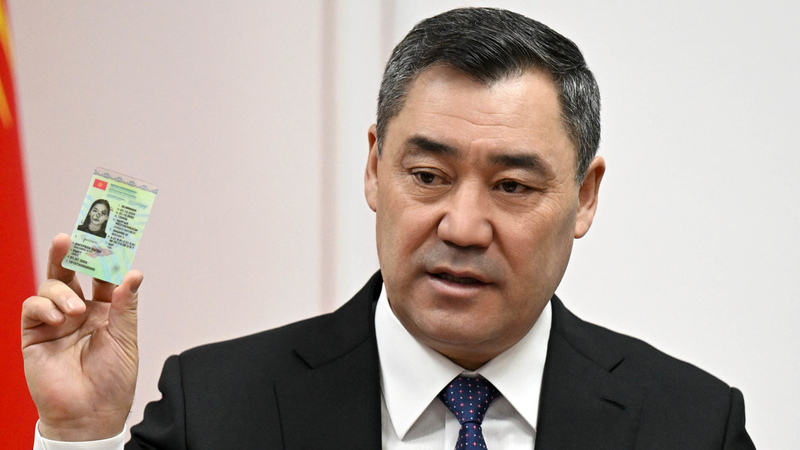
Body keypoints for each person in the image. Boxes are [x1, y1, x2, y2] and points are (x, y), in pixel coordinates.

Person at [22, 7, 755, 449]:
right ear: (374, 168)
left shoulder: (691, 425)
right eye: (428, 176)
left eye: (512, 186)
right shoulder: (217, 407)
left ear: (585, 197)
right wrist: (80, 435)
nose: (462, 227)